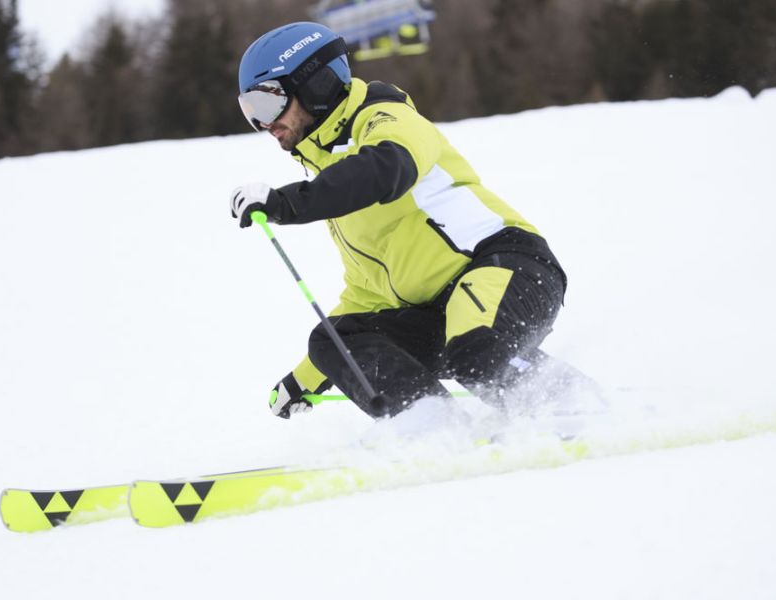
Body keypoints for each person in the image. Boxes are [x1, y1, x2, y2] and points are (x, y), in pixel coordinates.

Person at [230, 22, 567, 420]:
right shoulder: (330, 175)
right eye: (251, 111)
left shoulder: (385, 118)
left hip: (507, 266)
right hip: (439, 311)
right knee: (334, 340)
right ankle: (434, 430)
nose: (265, 125)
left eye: (268, 105)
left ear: (315, 84)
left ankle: (572, 410)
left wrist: (285, 204)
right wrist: (306, 377)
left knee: (473, 344)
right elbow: (367, 294)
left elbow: (384, 169)